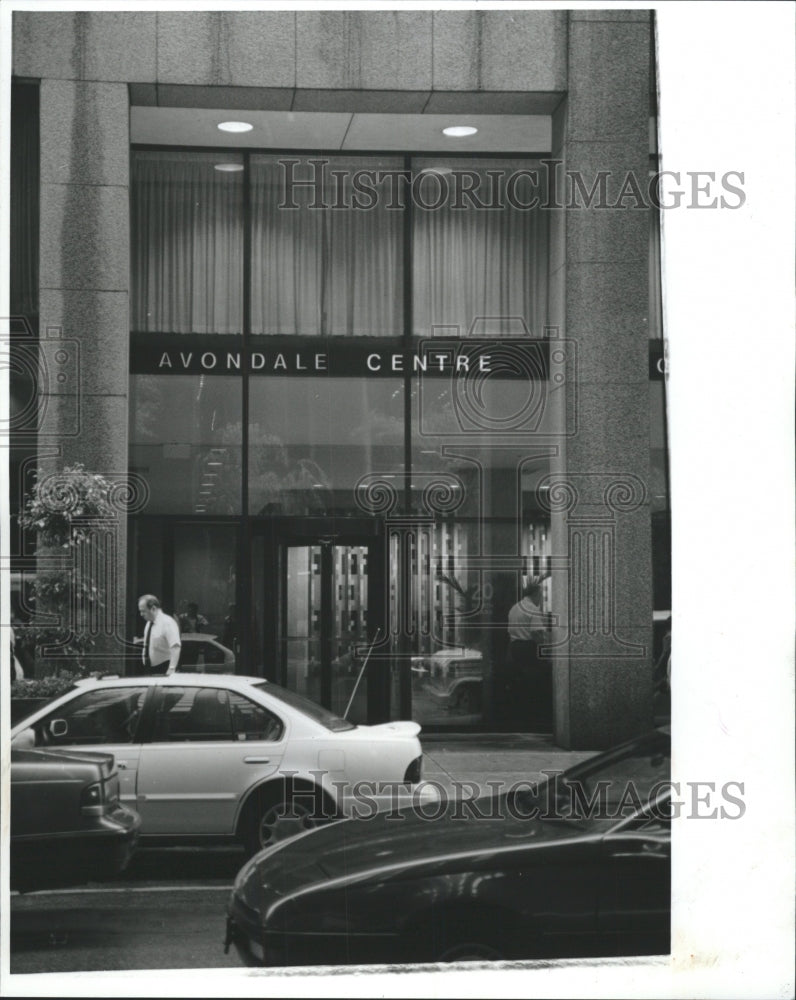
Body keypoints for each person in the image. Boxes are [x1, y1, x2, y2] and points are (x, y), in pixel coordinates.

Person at [506, 578, 552, 731]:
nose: (541, 598)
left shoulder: (515, 607)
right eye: (541, 594)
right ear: (536, 594)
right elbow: (537, 634)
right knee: (536, 681)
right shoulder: (532, 609)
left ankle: (520, 714)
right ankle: (535, 715)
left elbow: (510, 631)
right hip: (528, 648)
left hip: (515, 647)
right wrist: (547, 654)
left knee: (520, 681)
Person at [138, 594, 181, 675]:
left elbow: (175, 646)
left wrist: (171, 668)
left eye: (143, 611)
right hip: (149, 669)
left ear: (153, 608)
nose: (141, 614)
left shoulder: (167, 622)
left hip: (164, 668)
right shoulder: (149, 623)